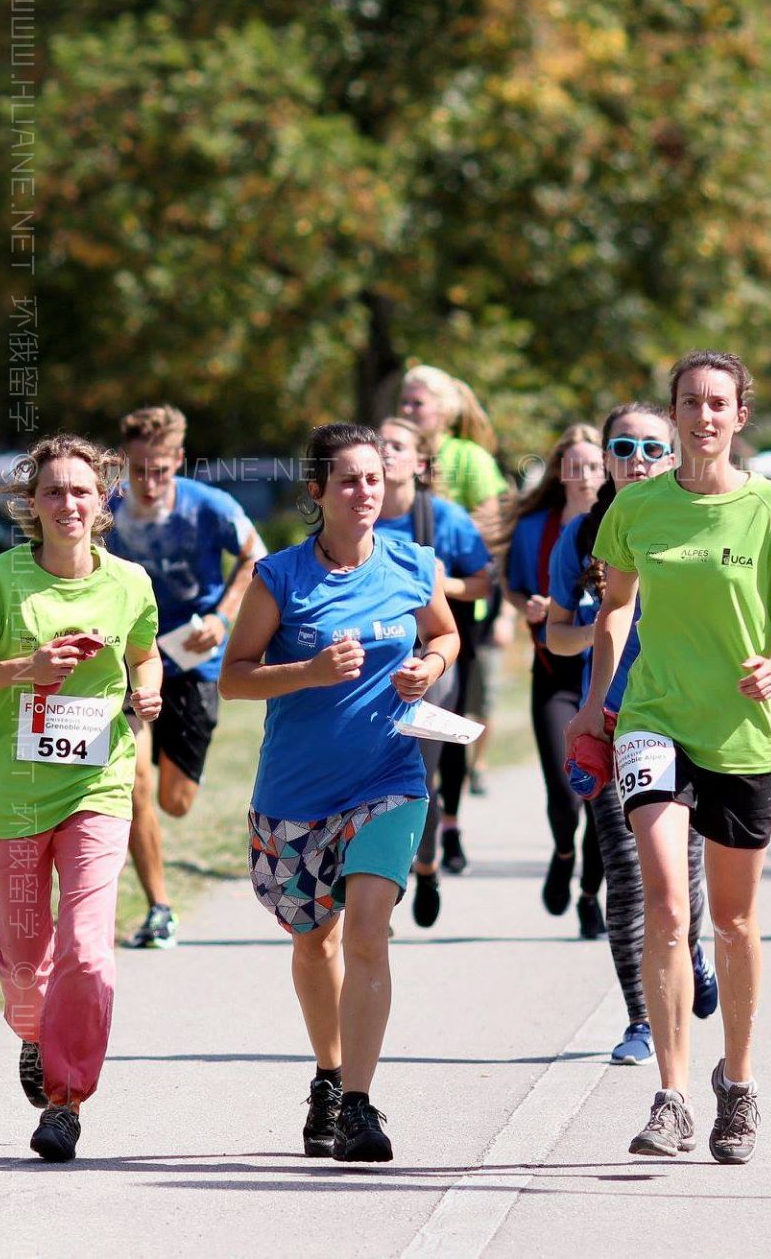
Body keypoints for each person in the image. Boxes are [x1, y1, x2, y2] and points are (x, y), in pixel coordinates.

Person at [566, 352, 771, 1165]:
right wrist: (597, 699)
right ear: (673, 415)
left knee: (736, 919)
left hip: (744, 735)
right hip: (653, 719)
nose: (703, 416)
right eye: (690, 403)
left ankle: (737, 1084)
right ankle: (671, 1094)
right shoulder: (636, 508)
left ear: (739, 416)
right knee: (668, 903)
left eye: (718, 404)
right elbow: (613, 609)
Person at [220, 422, 460, 1164]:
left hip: (388, 779)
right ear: (318, 491)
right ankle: (328, 1075)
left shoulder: (413, 563)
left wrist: (430, 666)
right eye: (350, 480)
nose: (366, 492)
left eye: (375, 479)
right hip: (294, 796)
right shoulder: (280, 579)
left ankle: (358, 1104)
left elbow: (446, 636)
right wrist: (309, 673)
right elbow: (234, 677)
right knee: (313, 942)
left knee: (365, 934)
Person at [0, 435, 162, 1164]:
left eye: (82, 492)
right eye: (54, 491)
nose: (69, 503)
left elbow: (145, 651)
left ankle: (65, 1101)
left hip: (99, 785)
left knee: (88, 954)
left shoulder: (130, 583)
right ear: (32, 505)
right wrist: (23, 668)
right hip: (12, 799)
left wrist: (148, 684)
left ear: (103, 504)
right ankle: (33, 1032)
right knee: (26, 963)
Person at [545, 404, 715, 1066]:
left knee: (683, 876)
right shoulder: (583, 537)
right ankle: (642, 1016)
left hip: (689, 718)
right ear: (607, 458)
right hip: (612, 718)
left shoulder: (700, 518)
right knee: (624, 868)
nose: (637, 459)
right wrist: (605, 623)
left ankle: (690, 950)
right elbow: (557, 634)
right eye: (623, 447)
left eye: (652, 447)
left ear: (674, 454)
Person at [104, 405, 267, 949]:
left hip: (195, 662)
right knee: (135, 785)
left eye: (160, 471)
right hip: (131, 661)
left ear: (178, 461)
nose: (148, 484)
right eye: (138, 471)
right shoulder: (108, 510)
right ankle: (159, 908)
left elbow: (254, 558)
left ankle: (160, 890)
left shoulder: (209, 507)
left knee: (176, 800)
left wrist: (223, 618)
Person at [373, 417, 493, 927]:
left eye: (396, 446)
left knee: (415, 772)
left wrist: (446, 586)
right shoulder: (356, 515)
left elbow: (485, 582)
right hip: (367, 667)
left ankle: (421, 865)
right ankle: (378, 882)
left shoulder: (443, 519)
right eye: (377, 444)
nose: (384, 453)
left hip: (432, 662)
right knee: (367, 775)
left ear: (420, 463)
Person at [398, 364, 508, 870]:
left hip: (463, 605)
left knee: (451, 718)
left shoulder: (471, 460)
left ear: (445, 409)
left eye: (417, 403)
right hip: (404, 611)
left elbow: (490, 539)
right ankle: (419, 824)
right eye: (404, 402)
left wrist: (495, 607)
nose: (408, 410)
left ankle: (449, 822)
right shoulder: (386, 450)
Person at [507, 423, 608, 933]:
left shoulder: (618, 522)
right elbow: (513, 585)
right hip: (553, 671)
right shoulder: (536, 528)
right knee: (565, 790)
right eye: (575, 466)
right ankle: (563, 851)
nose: (584, 476)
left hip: (608, 675)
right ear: (561, 471)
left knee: (600, 797)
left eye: (594, 465)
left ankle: (591, 895)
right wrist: (535, 607)